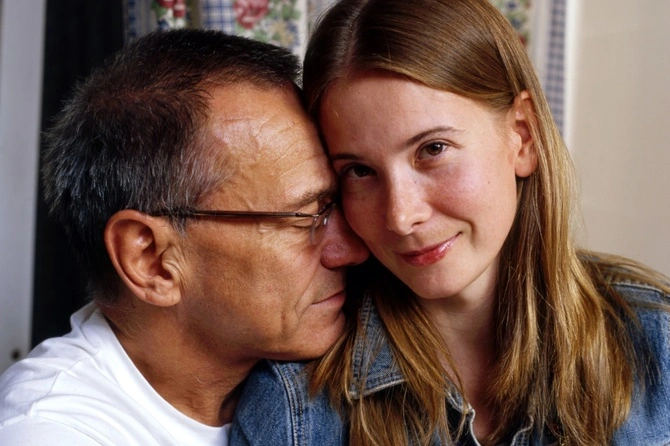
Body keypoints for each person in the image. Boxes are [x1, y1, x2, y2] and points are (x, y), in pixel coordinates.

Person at [230, 0, 670, 445]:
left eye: (433, 149)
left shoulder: (659, 343)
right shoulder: (296, 408)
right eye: (359, 171)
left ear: (522, 135)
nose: (401, 217)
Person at [0, 28, 369, 445]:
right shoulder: (50, 431)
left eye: (335, 202)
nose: (353, 250)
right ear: (152, 260)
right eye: (306, 217)